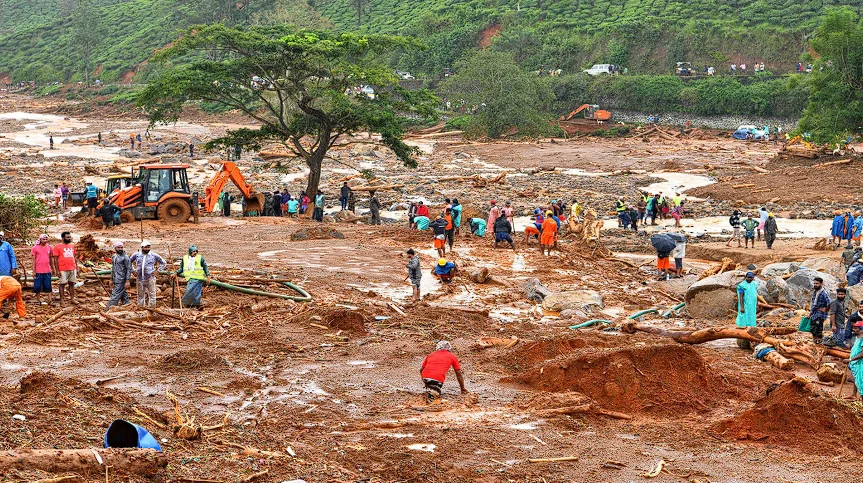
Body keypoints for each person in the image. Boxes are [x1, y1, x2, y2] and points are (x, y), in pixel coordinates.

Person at [129, 240, 166, 308]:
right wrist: (133, 271)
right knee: (140, 295)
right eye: (145, 247)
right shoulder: (136, 255)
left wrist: (158, 271)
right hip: (140, 278)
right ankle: (141, 308)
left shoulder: (153, 255)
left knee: (152, 295)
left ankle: (151, 309)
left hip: (150, 278)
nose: (147, 249)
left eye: (148, 247)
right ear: (142, 247)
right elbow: (129, 262)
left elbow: (163, 262)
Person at [51, 231, 78, 307]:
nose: (69, 238)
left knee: (72, 283)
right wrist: (57, 270)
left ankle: (72, 299)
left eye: (70, 237)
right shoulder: (57, 247)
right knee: (62, 284)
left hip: (72, 268)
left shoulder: (72, 246)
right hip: (62, 268)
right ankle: (61, 300)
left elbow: (74, 257)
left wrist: (77, 267)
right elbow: (55, 259)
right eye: (67, 237)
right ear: (63, 238)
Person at [735, 271, 758, 349]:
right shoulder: (742, 286)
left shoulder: (754, 284)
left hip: (752, 306)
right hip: (745, 305)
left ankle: (751, 337)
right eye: (748, 277)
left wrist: (757, 304)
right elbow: (741, 297)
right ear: (746, 277)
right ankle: (742, 338)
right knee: (744, 320)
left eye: (751, 277)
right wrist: (742, 307)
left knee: (752, 320)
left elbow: (755, 295)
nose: (750, 279)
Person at [107, 242, 132, 309]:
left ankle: (109, 310)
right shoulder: (114, 256)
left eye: (121, 247)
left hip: (121, 279)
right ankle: (127, 307)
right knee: (123, 295)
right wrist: (111, 279)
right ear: (115, 248)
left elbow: (129, 269)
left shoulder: (125, 257)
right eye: (118, 247)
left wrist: (127, 280)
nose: (120, 249)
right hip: (116, 279)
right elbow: (113, 269)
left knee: (114, 296)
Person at [31, 234, 52, 305]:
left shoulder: (49, 247)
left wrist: (53, 268)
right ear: (40, 239)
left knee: (48, 285)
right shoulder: (35, 248)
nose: (45, 241)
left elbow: (50, 258)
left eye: (46, 239)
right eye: (43, 239)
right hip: (38, 270)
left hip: (47, 270)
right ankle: (38, 300)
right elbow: (33, 260)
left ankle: (50, 300)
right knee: (37, 286)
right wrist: (33, 271)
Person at [844, 321, 863, 402]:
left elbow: (862, 353)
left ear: (861, 329)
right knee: (856, 379)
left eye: (856, 328)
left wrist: (851, 359)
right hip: (855, 364)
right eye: (853, 327)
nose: (853, 329)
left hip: (859, 364)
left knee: (861, 385)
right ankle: (853, 395)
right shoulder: (857, 338)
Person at [809, 277, 831, 344]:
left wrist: (825, 309)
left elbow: (830, 302)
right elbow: (813, 304)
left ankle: (819, 342)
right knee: (813, 328)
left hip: (820, 314)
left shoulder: (823, 293)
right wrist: (811, 313)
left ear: (821, 283)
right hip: (814, 313)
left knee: (818, 329)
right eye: (814, 283)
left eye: (817, 283)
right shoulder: (815, 292)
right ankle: (815, 342)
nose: (815, 285)